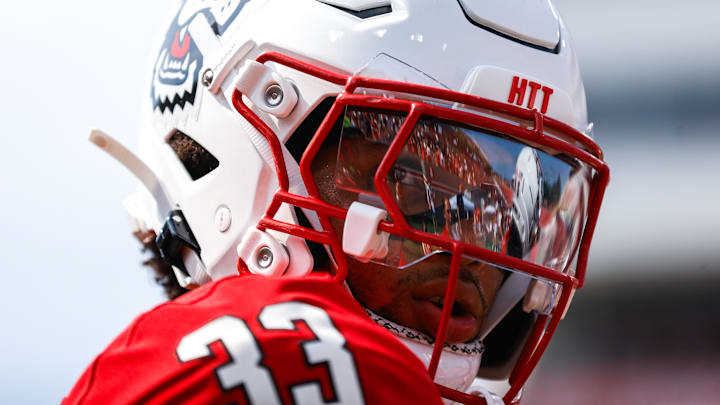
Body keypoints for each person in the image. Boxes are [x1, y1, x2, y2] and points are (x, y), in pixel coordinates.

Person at [65, 0, 610, 404]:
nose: (470, 254)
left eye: (502, 214)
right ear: (235, 151)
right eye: (414, 185)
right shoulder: (253, 371)